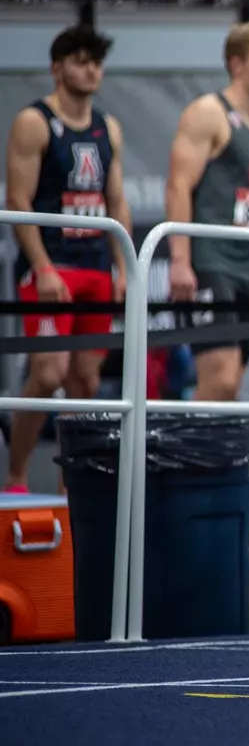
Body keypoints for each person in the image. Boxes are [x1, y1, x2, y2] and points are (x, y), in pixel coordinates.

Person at [3, 26, 131, 493]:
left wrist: (121, 267)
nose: (92, 69)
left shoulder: (107, 127)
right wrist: (42, 268)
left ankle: (67, 486)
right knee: (47, 374)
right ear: (58, 68)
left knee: (85, 380)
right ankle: (15, 476)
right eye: (80, 60)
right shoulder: (35, 122)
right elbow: (18, 200)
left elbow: (117, 202)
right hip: (53, 266)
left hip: (95, 266)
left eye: (96, 61)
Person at [165, 22, 249, 403]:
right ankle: (186, 464)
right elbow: (178, 185)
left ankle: (213, 465)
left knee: (232, 385)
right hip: (210, 261)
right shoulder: (208, 113)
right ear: (236, 65)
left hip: (244, 266)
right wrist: (181, 260)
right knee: (218, 382)